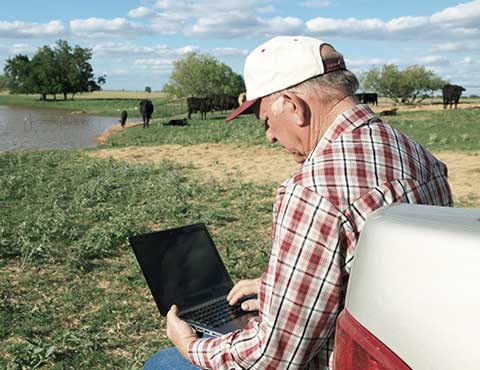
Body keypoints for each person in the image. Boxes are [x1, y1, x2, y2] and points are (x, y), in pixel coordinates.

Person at [144, 36, 452, 370]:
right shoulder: (419, 156)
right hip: (408, 350)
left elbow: (271, 359)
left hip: (346, 360)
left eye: (266, 121)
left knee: (164, 362)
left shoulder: (312, 190)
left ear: (293, 105)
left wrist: (191, 345)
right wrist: (281, 291)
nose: (269, 136)